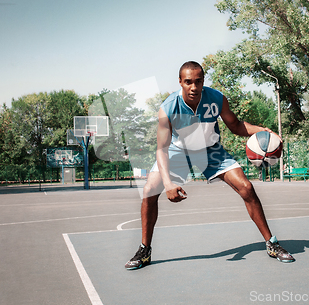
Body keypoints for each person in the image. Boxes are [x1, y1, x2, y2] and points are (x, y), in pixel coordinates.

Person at [125, 61, 294, 270]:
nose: (194, 87)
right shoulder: (168, 108)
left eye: (198, 81)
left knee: (247, 188)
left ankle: (272, 243)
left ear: (203, 81)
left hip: (210, 150)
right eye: (188, 82)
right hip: (179, 152)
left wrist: (264, 130)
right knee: (149, 190)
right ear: (180, 82)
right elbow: (162, 148)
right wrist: (168, 184)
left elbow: (236, 125)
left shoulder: (216, 98)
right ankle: (144, 250)